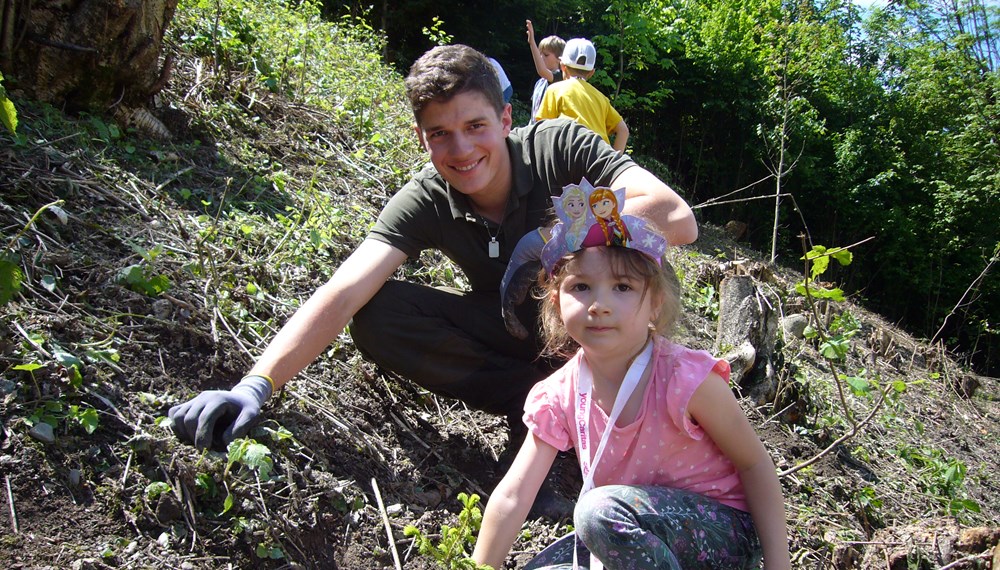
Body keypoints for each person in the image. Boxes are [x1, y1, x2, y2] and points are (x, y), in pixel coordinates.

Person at [167, 45, 697, 512]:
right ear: (421, 138)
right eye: (440, 134)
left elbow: (676, 218)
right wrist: (254, 386)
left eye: (475, 127)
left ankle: (602, 411)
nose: (462, 150)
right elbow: (345, 289)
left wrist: (550, 245)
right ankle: (532, 398)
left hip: (599, 331)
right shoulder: (425, 199)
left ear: (507, 117)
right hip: (515, 332)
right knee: (377, 313)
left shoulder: (559, 147)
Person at [472, 182, 791, 569]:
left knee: (596, 514)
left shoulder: (684, 379)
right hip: (633, 528)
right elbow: (514, 495)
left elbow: (754, 464)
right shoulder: (558, 394)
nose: (599, 305)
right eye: (581, 287)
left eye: (622, 287)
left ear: (655, 303)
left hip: (722, 536)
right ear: (556, 301)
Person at [536, 38, 630, 153]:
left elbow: (542, 130)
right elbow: (623, 130)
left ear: (562, 66)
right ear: (591, 72)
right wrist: (614, 163)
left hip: (568, 156)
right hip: (598, 159)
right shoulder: (601, 98)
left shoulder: (554, 90)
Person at [525, 20, 565, 124]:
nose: (541, 57)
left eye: (546, 55)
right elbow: (535, 111)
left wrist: (532, 42)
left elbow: (542, 71)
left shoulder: (560, 78)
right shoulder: (540, 83)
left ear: (559, 59)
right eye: (540, 54)